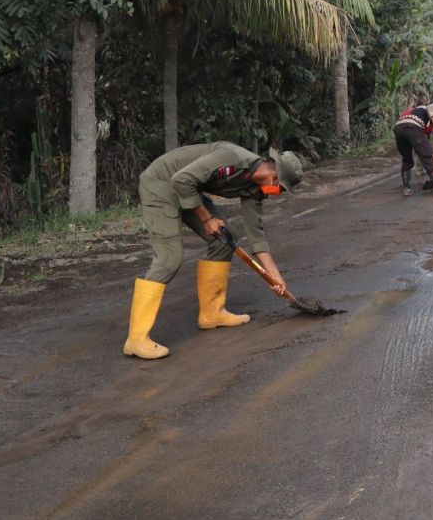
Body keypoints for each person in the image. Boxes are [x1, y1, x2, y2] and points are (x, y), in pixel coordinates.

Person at [124, 143, 304, 360]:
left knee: (224, 239)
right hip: (162, 183)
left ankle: (212, 313)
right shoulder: (230, 158)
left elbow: (256, 234)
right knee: (169, 258)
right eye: (282, 189)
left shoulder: (253, 189)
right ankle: (136, 339)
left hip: (187, 189)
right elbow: (181, 180)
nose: (278, 193)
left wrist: (275, 277)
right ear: (275, 177)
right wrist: (207, 218)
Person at [396, 98, 433, 198]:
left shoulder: (417, 112)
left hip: (398, 129)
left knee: (407, 160)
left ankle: (407, 189)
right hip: (413, 127)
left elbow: (423, 142)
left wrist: (432, 154)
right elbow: (431, 107)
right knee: (429, 161)